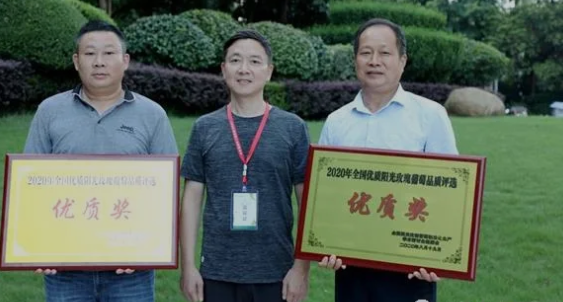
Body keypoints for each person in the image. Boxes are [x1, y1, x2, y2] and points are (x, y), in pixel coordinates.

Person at [23, 20, 178, 302]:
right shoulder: (50, 111)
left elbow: (166, 191)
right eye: (90, 53)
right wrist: (39, 246)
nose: (99, 62)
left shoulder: (152, 115)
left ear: (125, 60)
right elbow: (30, 186)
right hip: (65, 264)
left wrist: (147, 248)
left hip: (130, 268)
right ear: (76, 61)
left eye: (108, 53)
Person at [317, 18, 458, 302]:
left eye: (384, 53)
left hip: (411, 266)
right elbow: (325, 195)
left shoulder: (430, 116)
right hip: (351, 264)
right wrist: (324, 242)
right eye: (366, 53)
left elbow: (450, 192)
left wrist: (441, 256)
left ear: (402, 61)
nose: (374, 61)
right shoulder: (337, 121)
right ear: (355, 60)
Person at [179, 30, 311, 302]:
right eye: (235, 60)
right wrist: (188, 267)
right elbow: (191, 199)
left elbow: (307, 203)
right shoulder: (205, 127)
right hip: (216, 271)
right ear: (223, 69)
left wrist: (301, 269)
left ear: (269, 71)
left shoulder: (293, 128)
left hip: (277, 273)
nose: (244, 69)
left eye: (254, 61)